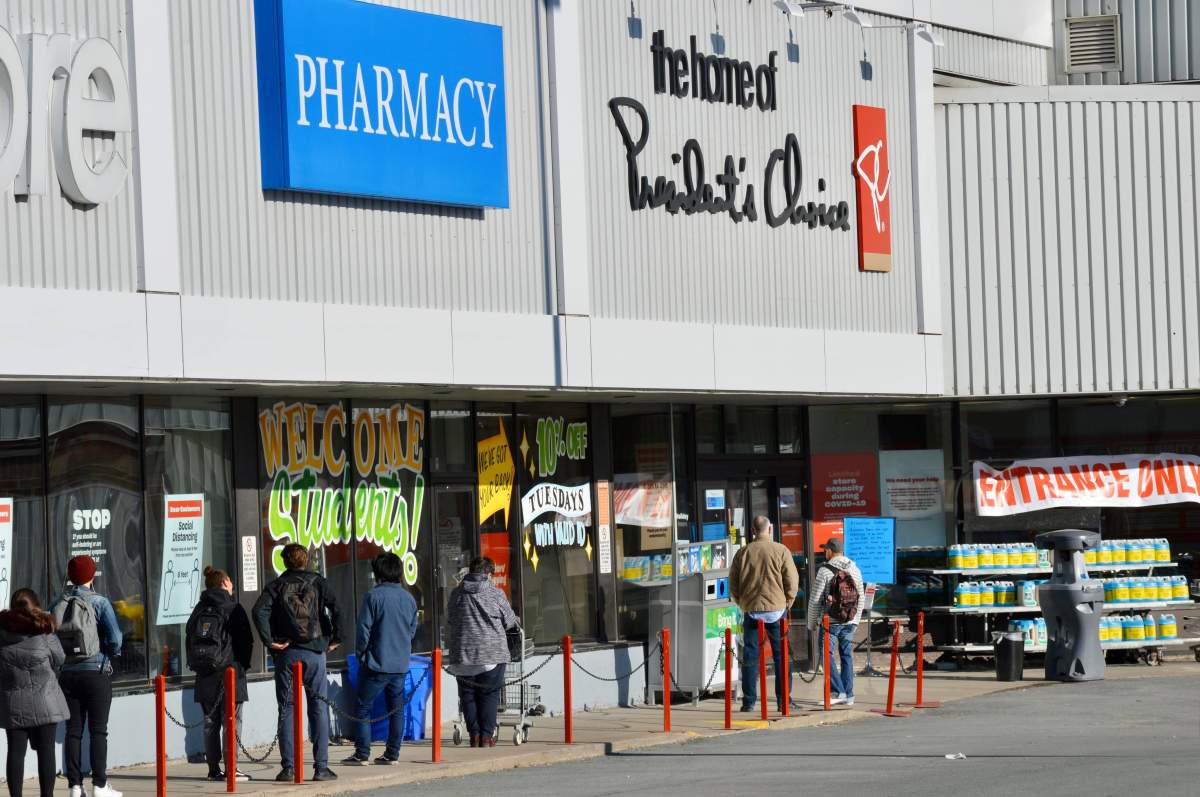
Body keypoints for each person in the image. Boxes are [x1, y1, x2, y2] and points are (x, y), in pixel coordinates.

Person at [252, 543, 342, 783]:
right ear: (307, 560)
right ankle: (321, 767)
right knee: (318, 708)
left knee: (287, 709)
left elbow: (258, 611)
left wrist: (270, 641)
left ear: (285, 562)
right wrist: (335, 639)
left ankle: (288, 768)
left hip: (287, 652)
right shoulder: (319, 582)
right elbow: (337, 608)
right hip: (314, 652)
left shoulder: (276, 586)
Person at [50, 555, 124, 797]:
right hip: (96, 672)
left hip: (68, 675)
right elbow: (114, 639)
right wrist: (111, 654)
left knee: (73, 730)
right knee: (98, 730)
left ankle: (75, 786)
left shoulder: (56, 603)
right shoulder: (99, 602)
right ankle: (100, 786)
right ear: (92, 575)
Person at [341, 553, 419, 766]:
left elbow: (363, 630)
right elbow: (412, 629)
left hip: (376, 663)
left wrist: (362, 656)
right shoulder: (408, 598)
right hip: (400, 664)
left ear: (378, 573)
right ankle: (392, 753)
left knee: (363, 707)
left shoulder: (373, 596)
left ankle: (362, 753)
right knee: (396, 709)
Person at [185, 567, 254, 782]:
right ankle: (232, 769)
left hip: (205, 675)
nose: (233, 585)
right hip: (231, 674)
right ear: (224, 583)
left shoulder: (198, 609)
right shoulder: (233, 608)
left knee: (210, 723)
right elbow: (246, 643)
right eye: (231, 581)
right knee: (232, 722)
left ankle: (214, 770)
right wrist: (241, 667)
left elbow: (189, 639)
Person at [0, 589, 70, 797]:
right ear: (36, 606)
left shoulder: (1, 634)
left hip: (13, 703)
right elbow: (60, 659)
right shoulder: (45, 631)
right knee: (47, 750)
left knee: (15, 752)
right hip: (45, 700)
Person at [446, 557, 519, 748]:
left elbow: (450, 619)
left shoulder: (456, 594)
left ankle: (475, 735)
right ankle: (486, 737)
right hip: (491, 654)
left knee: (468, 696)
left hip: (462, 655)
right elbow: (509, 620)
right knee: (489, 694)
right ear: (487, 574)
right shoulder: (495, 593)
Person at [729, 516, 799, 713]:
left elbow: (733, 583)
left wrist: (741, 602)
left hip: (752, 610)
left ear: (753, 530)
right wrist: (788, 602)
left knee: (750, 657)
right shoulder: (781, 550)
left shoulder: (743, 552)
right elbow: (792, 582)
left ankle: (749, 702)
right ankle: (783, 701)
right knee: (781, 657)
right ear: (769, 529)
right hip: (777, 609)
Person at [806, 538, 865, 706]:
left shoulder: (824, 571)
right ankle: (849, 695)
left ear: (831, 551)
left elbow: (815, 600)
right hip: (850, 621)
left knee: (826, 655)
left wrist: (811, 624)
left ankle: (838, 691)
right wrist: (855, 619)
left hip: (830, 623)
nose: (825, 552)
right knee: (847, 656)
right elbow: (860, 597)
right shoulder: (855, 569)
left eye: (826, 550)